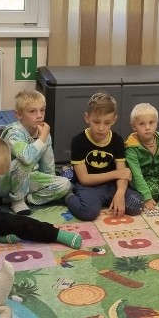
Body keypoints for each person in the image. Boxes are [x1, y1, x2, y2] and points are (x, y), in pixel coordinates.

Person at [65, 93, 144, 222]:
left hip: (112, 186)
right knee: (88, 212)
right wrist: (116, 174)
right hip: (88, 187)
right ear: (87, 118)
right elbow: (84, 179)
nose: (101, 128)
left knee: (137, 204)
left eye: (107, 123)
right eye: (96, 122)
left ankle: (105, 201)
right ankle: (68, 196)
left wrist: (120, 193)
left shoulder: (117, 140)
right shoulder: (78, 141)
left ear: (114, 120)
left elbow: (123, 174)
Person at [0, 89, 73, 215]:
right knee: (23, 163)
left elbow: (48, 164)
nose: (39, 115)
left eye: (42, 110)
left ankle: (26, 198)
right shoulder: (14, 133)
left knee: (66, 184)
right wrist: (42, 138)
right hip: (4, 181)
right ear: (19, 115)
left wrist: (51, 181)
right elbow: (26, 158)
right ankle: (17, 201)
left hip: (29, 178)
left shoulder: (43, 133)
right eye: (32, 111)